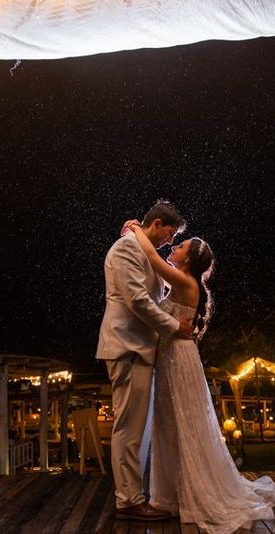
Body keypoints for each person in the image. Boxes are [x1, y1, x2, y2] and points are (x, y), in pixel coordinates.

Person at [124, 220, 275, 534]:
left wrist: (135, 229)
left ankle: (193, 492)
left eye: (180, 246)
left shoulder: (186, 283)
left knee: (186, 425)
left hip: (179, 361)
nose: (174, 246)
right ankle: (170, 494)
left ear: (188, 260)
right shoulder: (182, 282)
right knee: (169, 426)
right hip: (171, 359)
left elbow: (155, 260)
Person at [96, 200, 195, 522]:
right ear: (157, 224)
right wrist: (173, 327)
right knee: (128, 427)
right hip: (127, 347)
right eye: (169, 233)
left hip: (139, 348)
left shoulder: (139, 247)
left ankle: (132, 496)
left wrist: (136, 229)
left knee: (137, 427)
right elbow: (137, 300)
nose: (170, 241)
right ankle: (128, 501)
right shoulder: (126, 250)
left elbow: (151, 290)